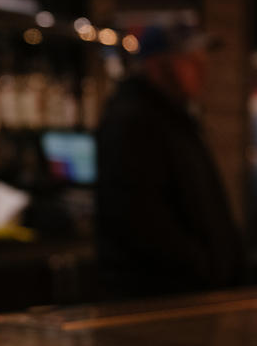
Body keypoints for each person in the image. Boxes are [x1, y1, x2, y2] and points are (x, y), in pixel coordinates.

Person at [96, 25, 243, 298]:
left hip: (190, 292)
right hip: (154, 298)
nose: (202, 71)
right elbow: (139, 219)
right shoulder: (132, 120)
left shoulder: (175, 119)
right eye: (190, 61)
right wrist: (206, 266)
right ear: (157, 66)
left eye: (202, 61)